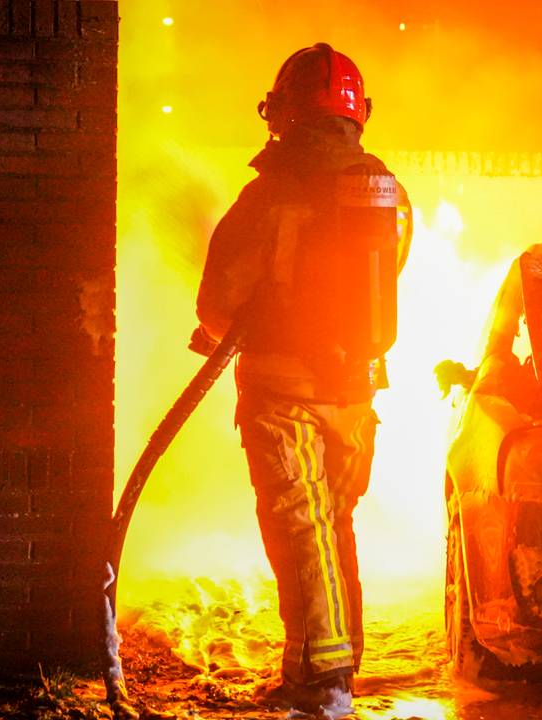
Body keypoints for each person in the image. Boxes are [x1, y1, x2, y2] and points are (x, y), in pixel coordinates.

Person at [193, 43, 411, 719]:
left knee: (300, 531)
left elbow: (218, 299)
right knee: (332, 524)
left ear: (282, 112)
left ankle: (323, 685)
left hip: (282, 391)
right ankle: (329, 667)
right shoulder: (387, 191)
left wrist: (241, 321)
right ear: (359, 113)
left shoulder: (271, 194)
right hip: (356, 392)